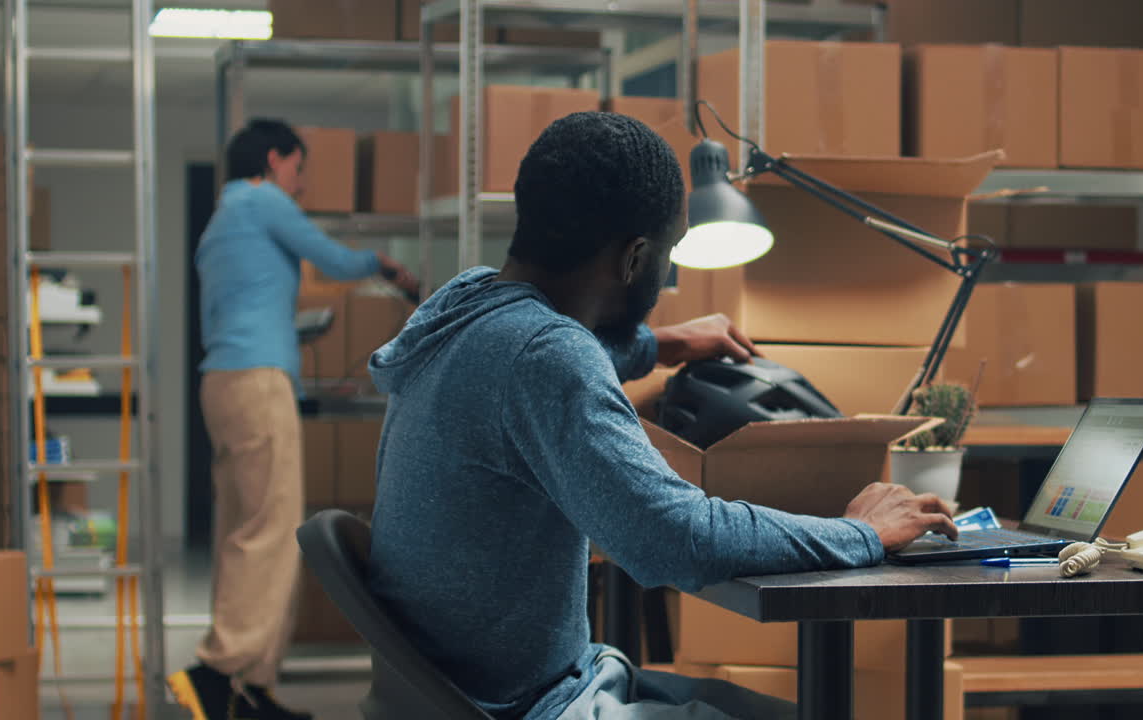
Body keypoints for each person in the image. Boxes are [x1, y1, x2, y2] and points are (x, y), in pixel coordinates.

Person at [365, 111, 958, 720]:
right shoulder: (545, 357)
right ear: (634, 259)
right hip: (532, 707)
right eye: (669, 252)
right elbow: (676, 539)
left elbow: (547, 356)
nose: (668, 270)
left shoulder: (465, 305)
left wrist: (661, 344)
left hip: (460, 690)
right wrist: (861, 533)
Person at [170, 119, 420, 720]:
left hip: (222, 383)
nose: (301, 186)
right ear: (275, 160)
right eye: (299, 170)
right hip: (258, 383)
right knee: (271, 532)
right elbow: (329, 257)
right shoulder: (260, 200)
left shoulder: (222, 217)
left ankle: (248, 691)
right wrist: (384, 265)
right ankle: (214, 672)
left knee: (242, 530)